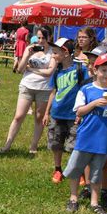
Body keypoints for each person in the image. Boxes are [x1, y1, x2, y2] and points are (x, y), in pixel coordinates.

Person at [62, 53, 107, 214]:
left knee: (97, 171)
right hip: (85, 137)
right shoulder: (86, 89)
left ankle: (95, 202)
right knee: (76, 168)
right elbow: (79, 111)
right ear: (95, 70)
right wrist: (95, 103)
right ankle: (73, 197)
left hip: (103, 139)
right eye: (104, 70)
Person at [0, 26, 56, 154]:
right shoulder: (29, 48)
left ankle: (33, 146)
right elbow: (20, 69)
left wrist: (31, 69)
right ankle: (7, 144)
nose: (40, 41)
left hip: (44, 89)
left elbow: (49, 72)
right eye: (39, 37)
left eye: (43, 38)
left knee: (38, 117)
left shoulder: (53, 52)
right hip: (27, 86)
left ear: (50, 37)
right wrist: (27, 56)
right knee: (18, 116)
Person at [42, 38, 87, 184]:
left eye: (55, 53)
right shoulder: (57, 71)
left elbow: (87, 90)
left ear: (65, 53)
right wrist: (47, 112)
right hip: (57, 114)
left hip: (74, 115)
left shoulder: (81, 70)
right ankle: (57, 169)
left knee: (75, 145)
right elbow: (53, 92)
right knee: (56, 144)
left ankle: (78, 170)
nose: (53, 55)